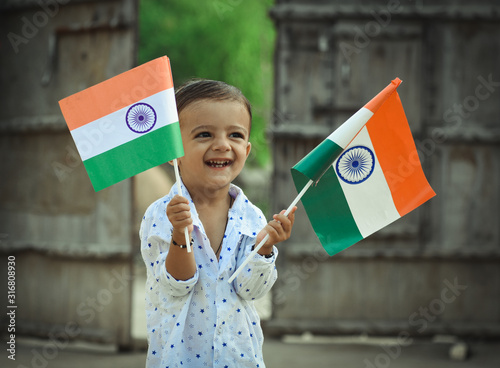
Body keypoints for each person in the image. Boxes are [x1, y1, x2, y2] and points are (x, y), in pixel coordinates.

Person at [140, 79, 297, 368]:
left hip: (238, 357)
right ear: (175, 152)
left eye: (235, 135)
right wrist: (180, 232)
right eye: (204, 134)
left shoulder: (251, 217)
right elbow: (176, 286)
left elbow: (250, 290)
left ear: (247, 151)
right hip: (180, 357)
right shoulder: (161, 213)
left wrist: (265, 247)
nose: (222, 145)